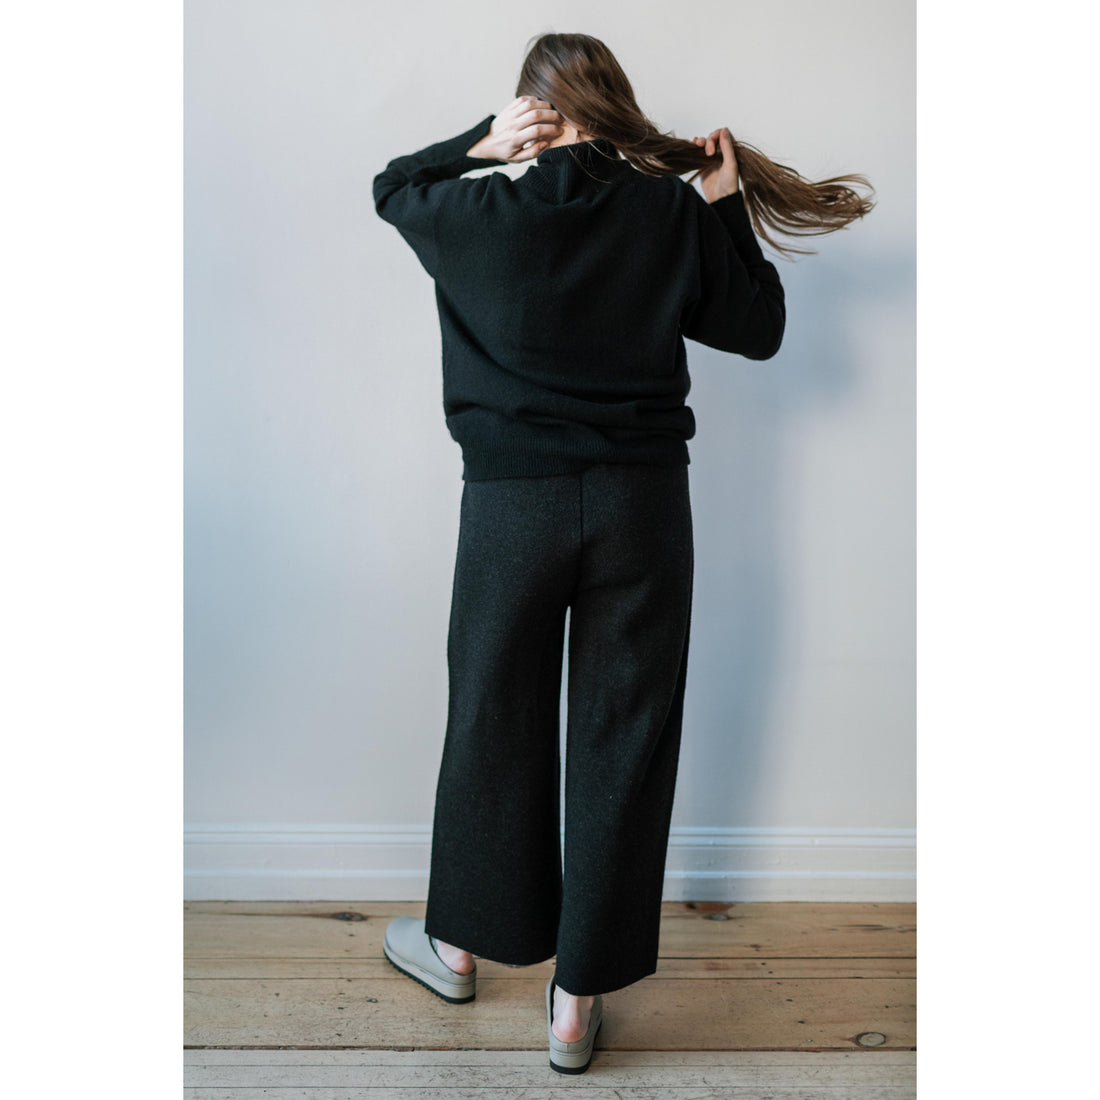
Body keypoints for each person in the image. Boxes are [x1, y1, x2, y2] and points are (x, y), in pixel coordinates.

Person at [372, 32, 873, 1075]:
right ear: (614, 104)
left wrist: (476, 144)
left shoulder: (476, 212)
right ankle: (574, 1002)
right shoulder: (665, 213)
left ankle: (458, 947)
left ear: (533, 112)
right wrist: (721, 204)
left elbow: (391, 187)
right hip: (642, 509)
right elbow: (759, 329)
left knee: (492, 718)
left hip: (511, 508)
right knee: (623, 738)